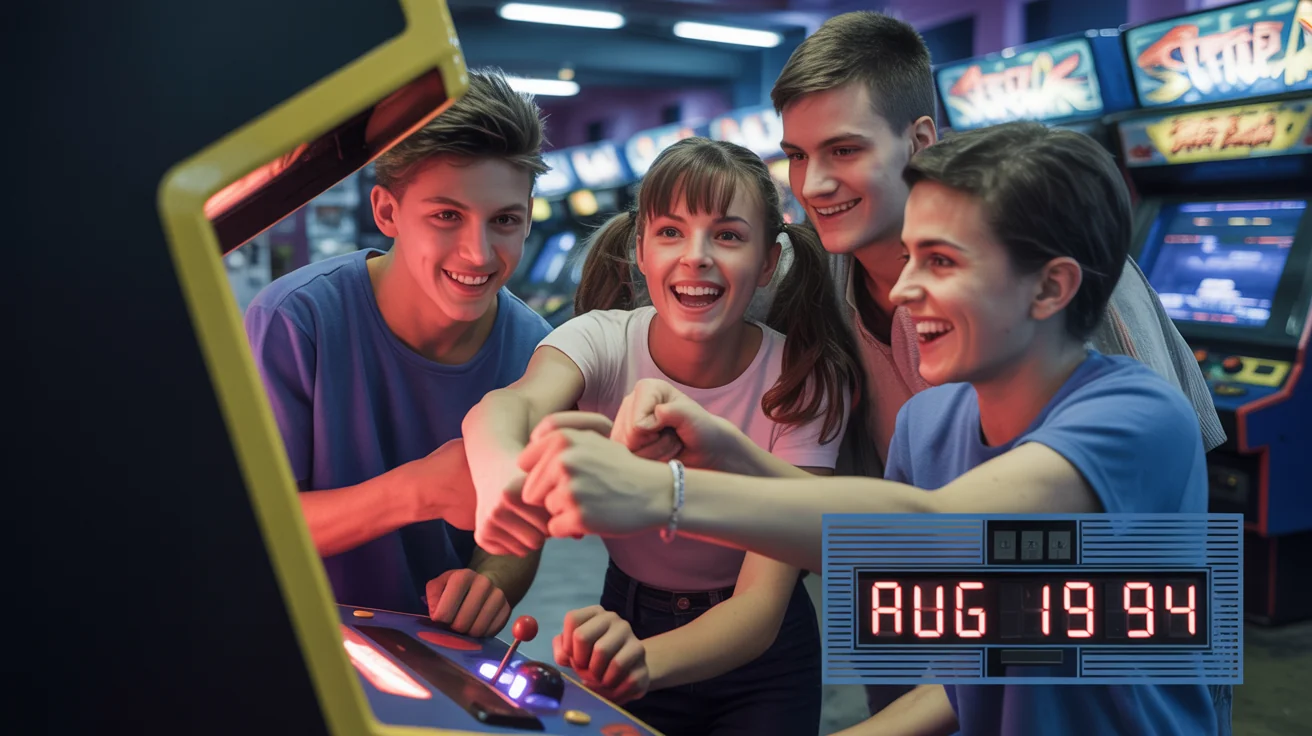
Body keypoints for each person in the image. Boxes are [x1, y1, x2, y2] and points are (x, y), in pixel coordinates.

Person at [517, 122, 1220, 736]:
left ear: (1049, 286)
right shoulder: (927, 422)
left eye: (941, 260)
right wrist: (727, 451)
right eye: (910, 256)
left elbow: (939, 528)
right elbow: (959, 646)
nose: (906, 289)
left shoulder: (1142, 416)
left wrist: (663, 492)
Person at [463, 137, 862, 734]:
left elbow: (757, 609)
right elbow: (505, 408)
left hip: (763, 660)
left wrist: (641, 662)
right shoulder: (600, 339)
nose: (696, 256)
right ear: (641, 250)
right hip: (627, 615)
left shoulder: (804, 377)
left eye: (727, 235)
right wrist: (503, 483)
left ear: (768, 263)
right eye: (671, 232)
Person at [769, 11, 1224, 480]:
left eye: (844, 150)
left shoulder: (1045, 244)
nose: (814, 184)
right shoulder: (814, 274)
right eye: (797, 156)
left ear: (920, 141)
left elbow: (1155, 476)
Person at [243, 69, 551, 636]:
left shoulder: (538, 353)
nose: (479, 253)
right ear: (387, 213)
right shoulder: (293, 320)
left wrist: (490, 582)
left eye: (504, 220)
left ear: (529, 217)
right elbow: (253, 529)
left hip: (436, 652)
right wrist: (418, 490)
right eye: (447, 216)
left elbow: (519, 533)